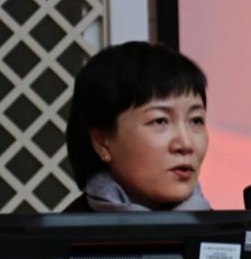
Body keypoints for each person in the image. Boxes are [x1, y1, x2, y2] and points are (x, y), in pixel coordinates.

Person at [64, 41, 211, 212]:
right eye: (160, 121)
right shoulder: (67, 229)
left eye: (196, 120)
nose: (186, 144)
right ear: (102, 142)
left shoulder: (226, 229)